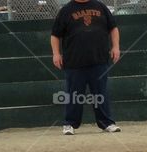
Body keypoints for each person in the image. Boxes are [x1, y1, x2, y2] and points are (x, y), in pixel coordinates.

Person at [50, 0, 121, 135]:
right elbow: (55, 35)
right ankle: (69, 124)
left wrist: (116, 46)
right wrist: (56, 54)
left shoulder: (100, 7)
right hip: (74, 62)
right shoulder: (66, 10)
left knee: (100, 93)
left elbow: (113, 28)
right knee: (74, 94)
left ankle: (107, 123)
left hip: (99, 59)